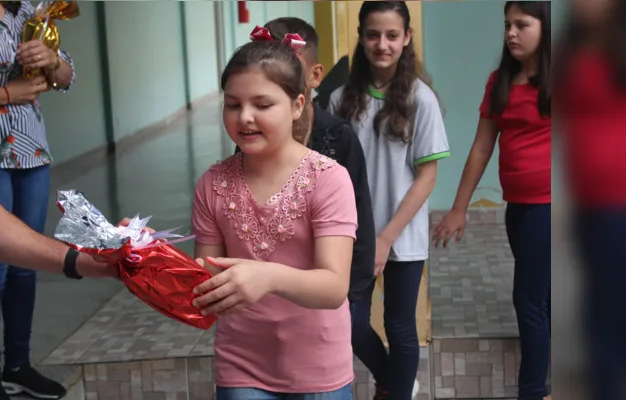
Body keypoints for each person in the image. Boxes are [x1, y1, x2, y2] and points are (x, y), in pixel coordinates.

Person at [0, 4, 120, 398]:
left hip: (30, 146)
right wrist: (9, 92)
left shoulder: (29, 10)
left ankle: (18, 366)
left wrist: (53, 59)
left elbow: (66, 77)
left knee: (25, 266)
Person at [191, 37, 358, 399]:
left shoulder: (328, 179)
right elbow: (205, 283)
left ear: (298, 105)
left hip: (319, 367)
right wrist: (145, 255)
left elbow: (333, 288)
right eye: (232, 105)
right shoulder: (212, 184)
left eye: (262, 104)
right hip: (241, 363)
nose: (245, 116)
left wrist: (267, 277)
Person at [329, 2, 449, 399]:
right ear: (361, 37)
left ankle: (397, 391)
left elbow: (426, 178)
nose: (382, 44)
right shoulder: (339, 99)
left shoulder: (422, 99)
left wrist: (386, 238)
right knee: (349, 321)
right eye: (373, 34)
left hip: (402, 234)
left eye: (392, 35)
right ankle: (395, 382)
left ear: (407, 38)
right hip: (351, 236)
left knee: (400, 327)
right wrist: (365, 239)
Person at [432, 3, 551, 399]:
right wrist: (459, 207)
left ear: (546, 27)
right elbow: (482, 147)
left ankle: (532, 391)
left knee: (529, 300)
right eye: (507, 25)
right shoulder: (499, 81)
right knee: (544, 295)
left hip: (551, 208)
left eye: (522, 24)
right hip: (517, 208)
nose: (511, 33)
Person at [235, 18, 376, 308]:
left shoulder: (339, 139)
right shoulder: (244, 146)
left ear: (314, 76)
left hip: (330, 292)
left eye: (288, 70)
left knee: (357, 334)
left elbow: (360, 219)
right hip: (267, 298)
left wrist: (354, 292)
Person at [555, 0, 626, 398]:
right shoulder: (569, 51)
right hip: (590, 205)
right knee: (602, 310)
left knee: (610, 312)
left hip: (621, 205)